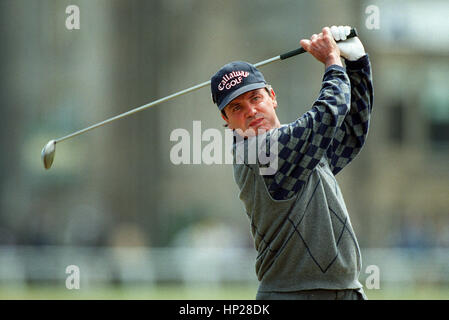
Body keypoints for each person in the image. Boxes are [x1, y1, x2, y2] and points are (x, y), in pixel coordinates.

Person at [210, 26, 373, 300]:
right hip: (293, 295)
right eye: (236, 107)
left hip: (346, 291)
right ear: (227, 121)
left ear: (272, 97)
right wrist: (332, 61)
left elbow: (351, 132)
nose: (250, 111)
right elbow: (329, 113)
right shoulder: (258, 152)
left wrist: (357, 64)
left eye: (255, 98)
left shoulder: (301, 146)